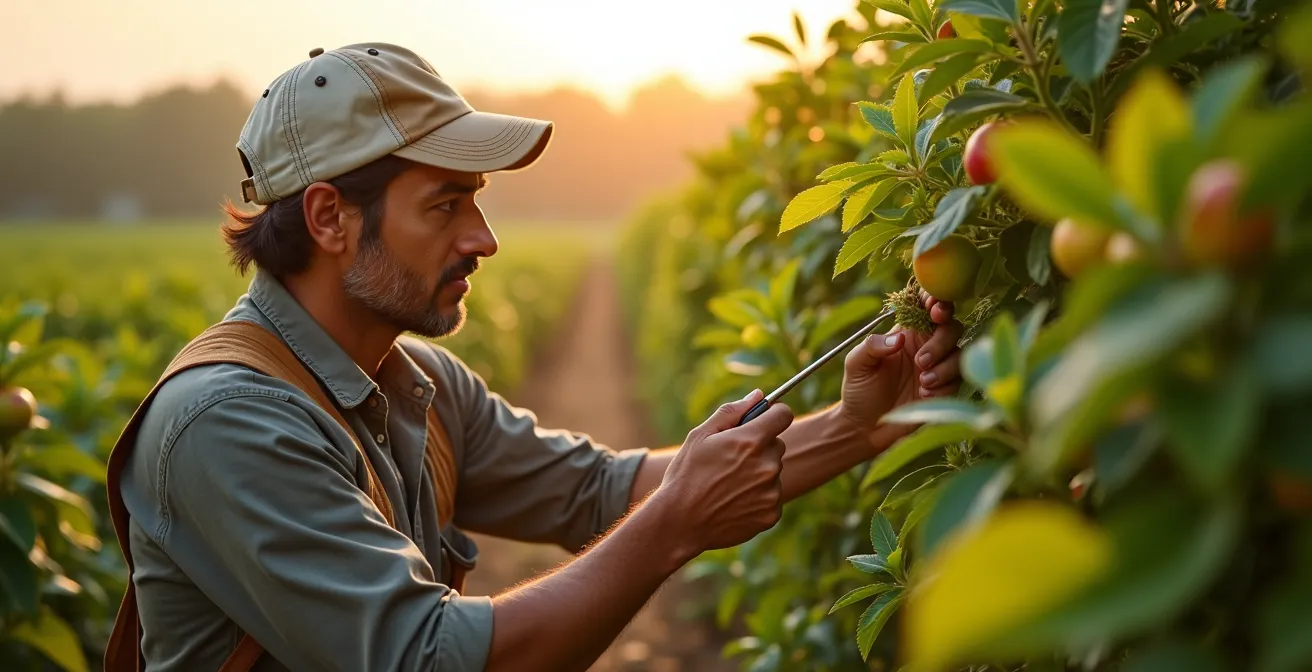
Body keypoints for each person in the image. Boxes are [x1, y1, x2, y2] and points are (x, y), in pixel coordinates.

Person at [106, 43, 964, 672]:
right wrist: (671, 530)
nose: (483, 239)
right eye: (444, 206)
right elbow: (427, 660)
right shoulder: (227, 422)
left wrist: (856, 429)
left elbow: (602, 490)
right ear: (330, 219)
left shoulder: (418, 385)